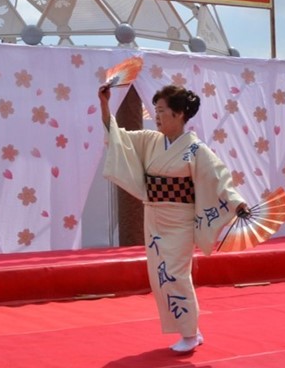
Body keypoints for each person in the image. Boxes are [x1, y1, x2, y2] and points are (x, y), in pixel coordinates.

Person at [99, 83, 248, 353]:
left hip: (180, 220)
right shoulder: (149, 139)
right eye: (155, 110)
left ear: (179, 114)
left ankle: (190, 334)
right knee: (161, 276)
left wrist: (236, 203)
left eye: (161, 110)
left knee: (177, 274)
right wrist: (105, 104)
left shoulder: (196, 150)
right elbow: (116, 135)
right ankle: (189, 329)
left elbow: (219, 179)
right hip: (154, 217)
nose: (156, 116)